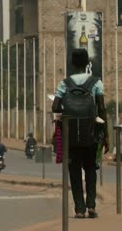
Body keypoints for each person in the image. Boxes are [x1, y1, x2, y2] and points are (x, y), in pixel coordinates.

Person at [52, 48, 108, 219]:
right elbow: (102, 109)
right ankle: (91, 205)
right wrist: (106, 136)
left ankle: (79, 209)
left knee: (74, 171)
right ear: (87, 63)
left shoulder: (64, 83)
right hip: (91, 134)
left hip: (71, 136)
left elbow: (55, 107)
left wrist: (69, 111)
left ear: (72, 64)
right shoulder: (96, 82)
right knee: (91, 169)